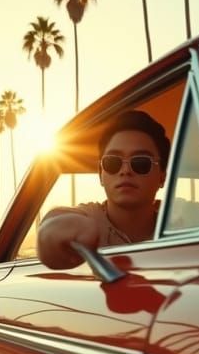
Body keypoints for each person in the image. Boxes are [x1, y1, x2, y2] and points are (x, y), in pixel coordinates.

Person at [37, 109, 171, 269]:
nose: (125, 171)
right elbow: (54, 222)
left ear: (162, 176)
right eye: (113, 162)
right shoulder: (88, 220)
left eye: (141, 162)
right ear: (101, 174)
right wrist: (54, 230)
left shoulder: (178, 225)